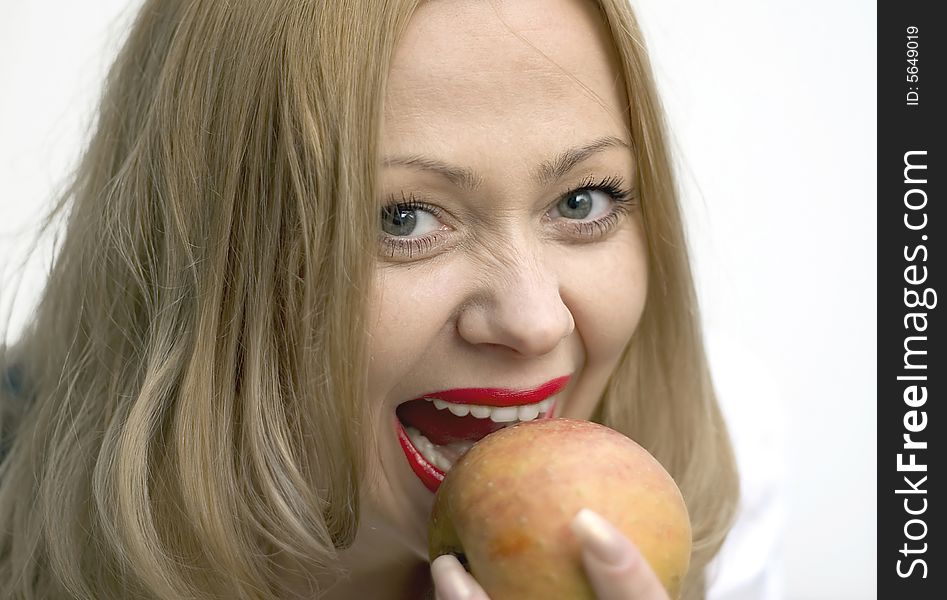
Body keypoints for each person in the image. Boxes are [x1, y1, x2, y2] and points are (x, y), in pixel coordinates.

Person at [0, 0, 740, 598]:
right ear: (206, 254)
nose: (535, 319)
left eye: (581, 201)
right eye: (403, 217)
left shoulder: (718, 541)